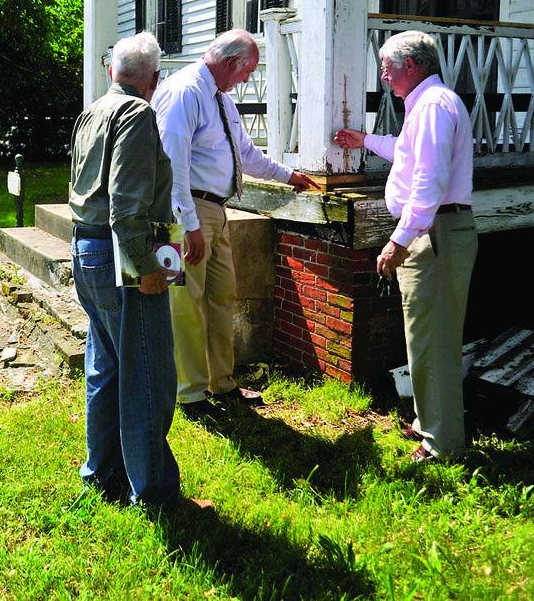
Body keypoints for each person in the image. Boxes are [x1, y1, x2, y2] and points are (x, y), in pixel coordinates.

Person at [152, 29, 319, 421]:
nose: (246, 79)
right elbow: (170, 164)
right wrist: (188, 224)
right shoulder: (185, 92)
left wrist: (288, 175)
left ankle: (221, 383)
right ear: (230, 63)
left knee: (221, 296)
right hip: (185, 210)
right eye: (246, 72)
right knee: (185, 304)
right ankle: (190, 394)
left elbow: (244, 153)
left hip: (214, 210)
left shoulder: (220, 99)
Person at [334, 30, 477, 462]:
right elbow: (408, 153)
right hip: (436, 232)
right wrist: (366, 142)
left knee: (433, 340)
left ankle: (442, 444)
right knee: (425, 337)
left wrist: (398, 241)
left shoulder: (433, 107)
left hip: (433, 235)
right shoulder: (430, 105)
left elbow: (428, 183)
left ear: (411, 66)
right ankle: (429, 423)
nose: (383, 75)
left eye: (388, 67)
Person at [68, 31, 181, 509]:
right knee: (148, 375)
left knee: (106, 368)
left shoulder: (92, 111)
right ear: (154, 80)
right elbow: (125, 207)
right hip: (120, 256)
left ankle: (103, 474)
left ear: (112, 72)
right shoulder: (136, 114)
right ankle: (153, 492)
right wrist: (145, 266)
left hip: (86, 250)